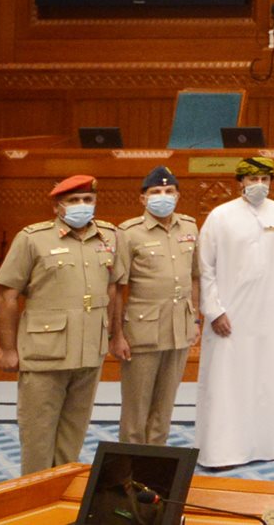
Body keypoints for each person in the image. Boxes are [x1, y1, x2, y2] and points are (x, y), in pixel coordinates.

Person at [0, 174, 123, 474]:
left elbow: (114, 289)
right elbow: (7, 297)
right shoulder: (32, 238)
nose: (82, 206)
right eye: (74, 201)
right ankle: (35, 502)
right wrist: (7, 349)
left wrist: (115, 335)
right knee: (38, 437)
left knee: (72, 435)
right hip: (45, 354)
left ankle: (59, 499)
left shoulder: (109, 237)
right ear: (57, 207)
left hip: (89, 351)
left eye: (88, 200)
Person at [194, 156, 274, 468]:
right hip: (230, 318)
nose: (259, 186)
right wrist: (214, 311)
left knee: (269, 380)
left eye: (265, 180)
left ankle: (266, 446)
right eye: (252, 180)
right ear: (239, 182)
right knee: (226, 381)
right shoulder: (220, 216)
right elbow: (206, 268)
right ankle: (222, 451)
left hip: (271, 318)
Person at [112, 166, 198, 446]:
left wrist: (195, 319)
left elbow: (195, 276)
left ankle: (155, 464)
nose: (163, 196)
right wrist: (117, 335)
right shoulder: (128, 233)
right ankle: (128, 471)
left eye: (169, 191)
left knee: (164, 409)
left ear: (177, 195)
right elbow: (116, 288)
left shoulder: (189, 226)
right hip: (142, 330)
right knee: (136, 410)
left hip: (179, 328)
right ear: (143, 199)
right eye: (156, 192)